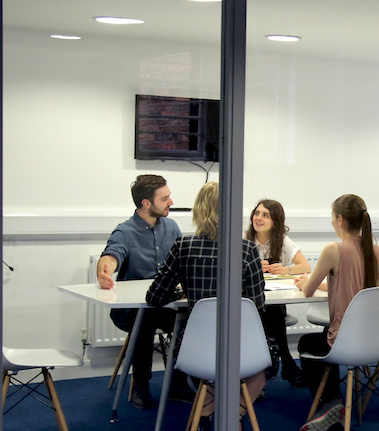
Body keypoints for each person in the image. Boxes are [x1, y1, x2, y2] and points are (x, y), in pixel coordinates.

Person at [146, 182, 270, 431]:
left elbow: (154, 297)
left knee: (209, 370)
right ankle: (234, 416)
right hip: (240, 346)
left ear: (199, 210)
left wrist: (181, 291)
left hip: (195, 348)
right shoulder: (246, 250)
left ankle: (205, 412)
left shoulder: (183, 247)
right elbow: (257, 304)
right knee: (265, 363)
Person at [97, 174, 193, 409]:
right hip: (133, 311)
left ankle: (178, 383)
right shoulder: (125, 231)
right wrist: (105, 271)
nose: (171, 202)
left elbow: (183, 260)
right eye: (165, 198)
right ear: (146, 203)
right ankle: (141, 383)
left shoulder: (171, 227)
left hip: (167, 305)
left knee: (192, 315)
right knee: (145, 316)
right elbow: (111, 255)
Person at [294, 194, 379, 431]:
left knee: (308, 342)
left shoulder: (333, 249)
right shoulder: (377, 251)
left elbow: (307, 291)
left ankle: (330, 403)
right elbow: (366, 290)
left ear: (341, 219)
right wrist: (326, 284)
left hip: (344, 341)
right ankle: (334, 403)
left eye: (333, 218)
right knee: (326, 334)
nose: (332, 223)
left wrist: (304, 282)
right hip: (374, 340)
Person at [245, 199, 310, 388]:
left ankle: (265, 372)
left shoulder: (281, 240)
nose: (259, 218)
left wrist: (286, 270)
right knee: (272, 316)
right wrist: (254, 266)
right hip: (249, 299)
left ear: (276, 221)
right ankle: (287, 363)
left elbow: (305, 266)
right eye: (257, 213)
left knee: (274, 313)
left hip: (272, 297)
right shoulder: (243, 239)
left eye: (266, 215)